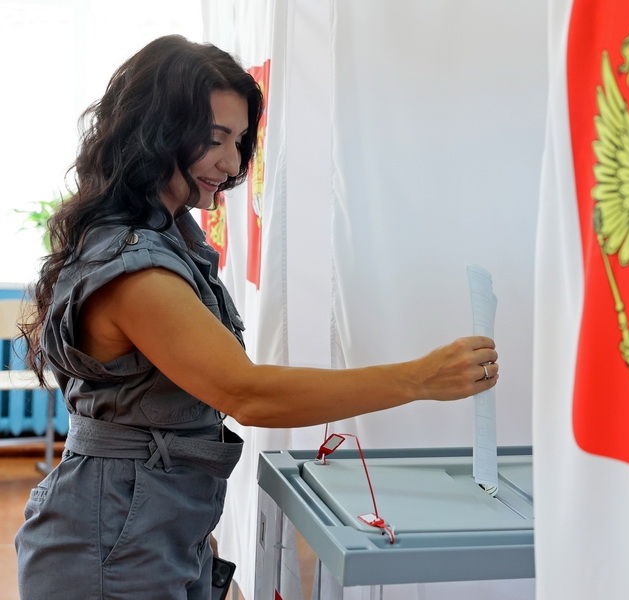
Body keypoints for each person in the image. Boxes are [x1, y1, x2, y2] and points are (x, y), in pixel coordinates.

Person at [14, 35, 498, 599]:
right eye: (213, 138)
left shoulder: (167, 239)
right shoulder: (137, 274)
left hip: (145, 529)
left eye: (239, 141)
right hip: (111, 544)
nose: (230, 162)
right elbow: (246, 393)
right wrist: (419, 379)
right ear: (154, 130)